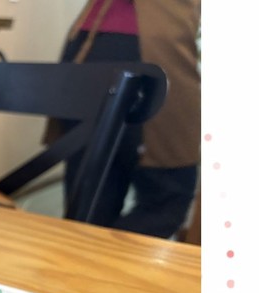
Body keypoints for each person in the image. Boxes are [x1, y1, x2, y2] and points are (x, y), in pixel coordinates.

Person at [53, 0, 201, 239]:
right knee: (167, 199)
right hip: (153, 47)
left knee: (91, 204)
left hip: (91, 47)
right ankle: (103, 263)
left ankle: (89, 263)